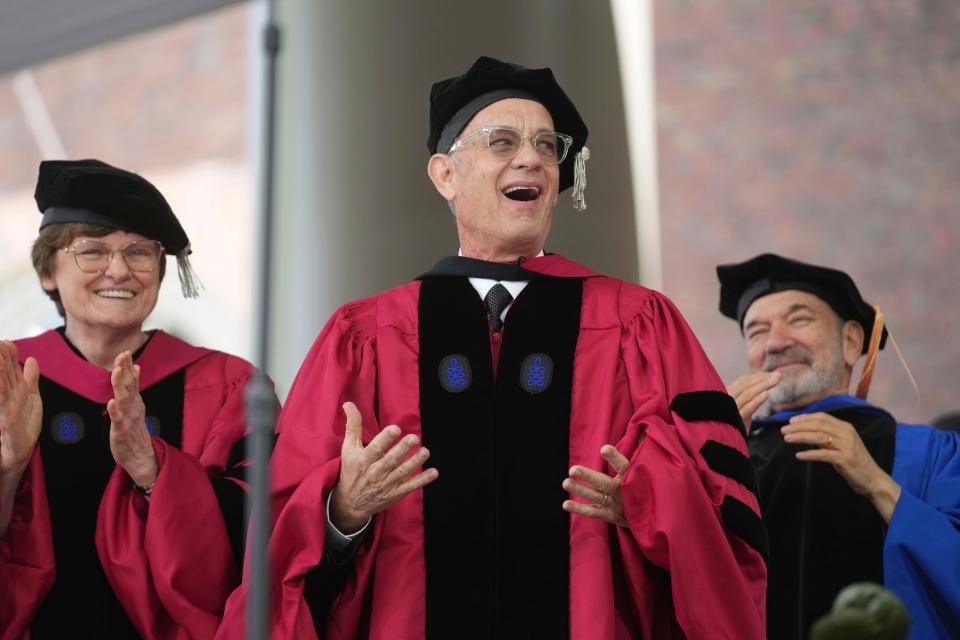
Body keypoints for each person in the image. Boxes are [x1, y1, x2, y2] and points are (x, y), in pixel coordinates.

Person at [220, 56, 767, 639]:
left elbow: (724, 523)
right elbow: (277, 548)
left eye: (547, 147)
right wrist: (342, 513)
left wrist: (648, 503)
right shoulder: (364, 335)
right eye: (501, 141)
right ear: (445, 175)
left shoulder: (641, 323)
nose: (530, 158)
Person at [0, 159, 270, 639]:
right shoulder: (9, 382)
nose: (119, 270)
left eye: (139, 253)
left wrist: (155, 473)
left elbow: (268, 535)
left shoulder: (230, 386)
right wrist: (9, 467)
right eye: (93, 251)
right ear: (47, 272)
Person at [718, 253, 960, 640]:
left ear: (850, 342)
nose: (776, 342)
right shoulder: (724, 463)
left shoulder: (928, 454)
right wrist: (704, 468)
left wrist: (878, 484)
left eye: (799, 319)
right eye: (757, 331)